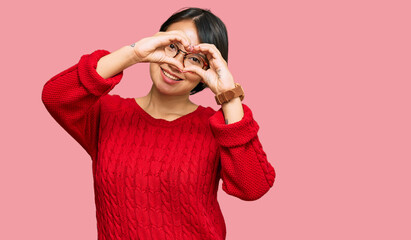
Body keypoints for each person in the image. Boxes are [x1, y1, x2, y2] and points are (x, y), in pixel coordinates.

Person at [42, 7, 275, 240]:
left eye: (194, 58)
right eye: (172, 46)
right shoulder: (107, 114)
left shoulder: (216, 128)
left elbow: (253, 187)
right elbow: (55, 96)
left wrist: (229, 95)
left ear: (209, 71)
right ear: (156, 40)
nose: (176, 63)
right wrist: (133, 54)